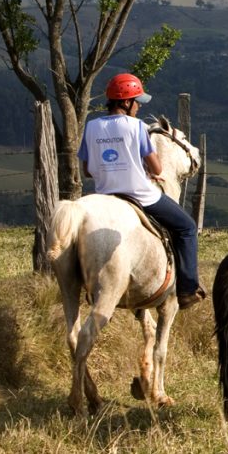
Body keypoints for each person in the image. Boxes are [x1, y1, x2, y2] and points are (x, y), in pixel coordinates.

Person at [77, 73, 205, 309]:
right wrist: (146, 170)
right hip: (141, 195)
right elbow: (157, 167)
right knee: (186, 227)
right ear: (125, 102)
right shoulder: (137, 126)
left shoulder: (91, 126)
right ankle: (187, 289)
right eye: (136, 101)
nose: (137, 107)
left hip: (105, 197)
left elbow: (87, 170)